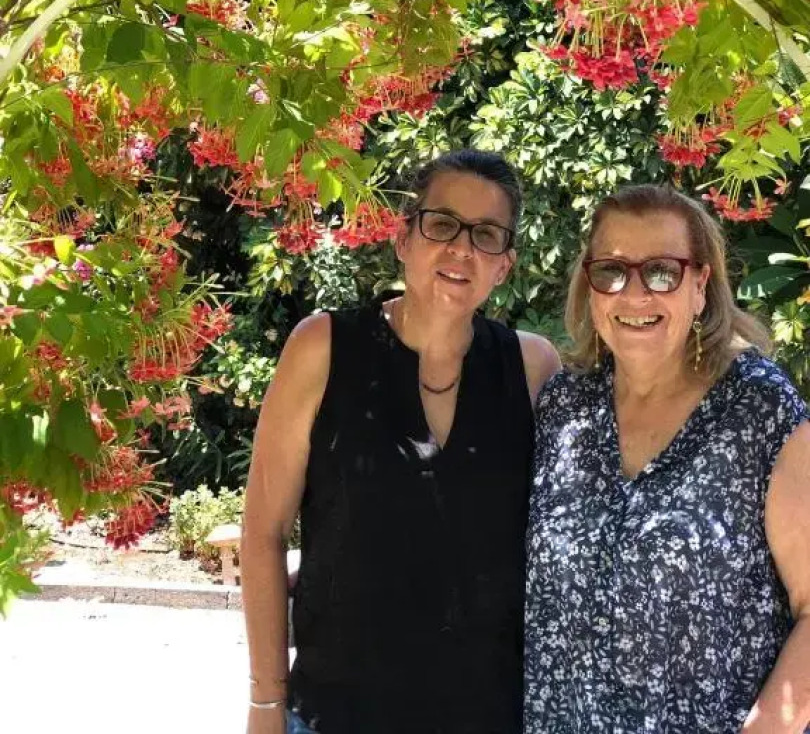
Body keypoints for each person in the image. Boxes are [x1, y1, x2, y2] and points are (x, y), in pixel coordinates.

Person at [242, 148, 560, 734]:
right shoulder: (324, 347)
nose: (461, 249)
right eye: (442, 225)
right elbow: (263, 532)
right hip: (336, 712)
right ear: (403, 237)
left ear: (504, 266)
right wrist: (266, 700)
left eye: (486, 235)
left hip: (488, 715)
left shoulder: (533, 366)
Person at [525, 183, 810, 733]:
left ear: (701, 285)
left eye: (662, 271)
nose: (634, 295)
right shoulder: (563, 406)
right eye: (611, 271)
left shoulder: (759, 408)